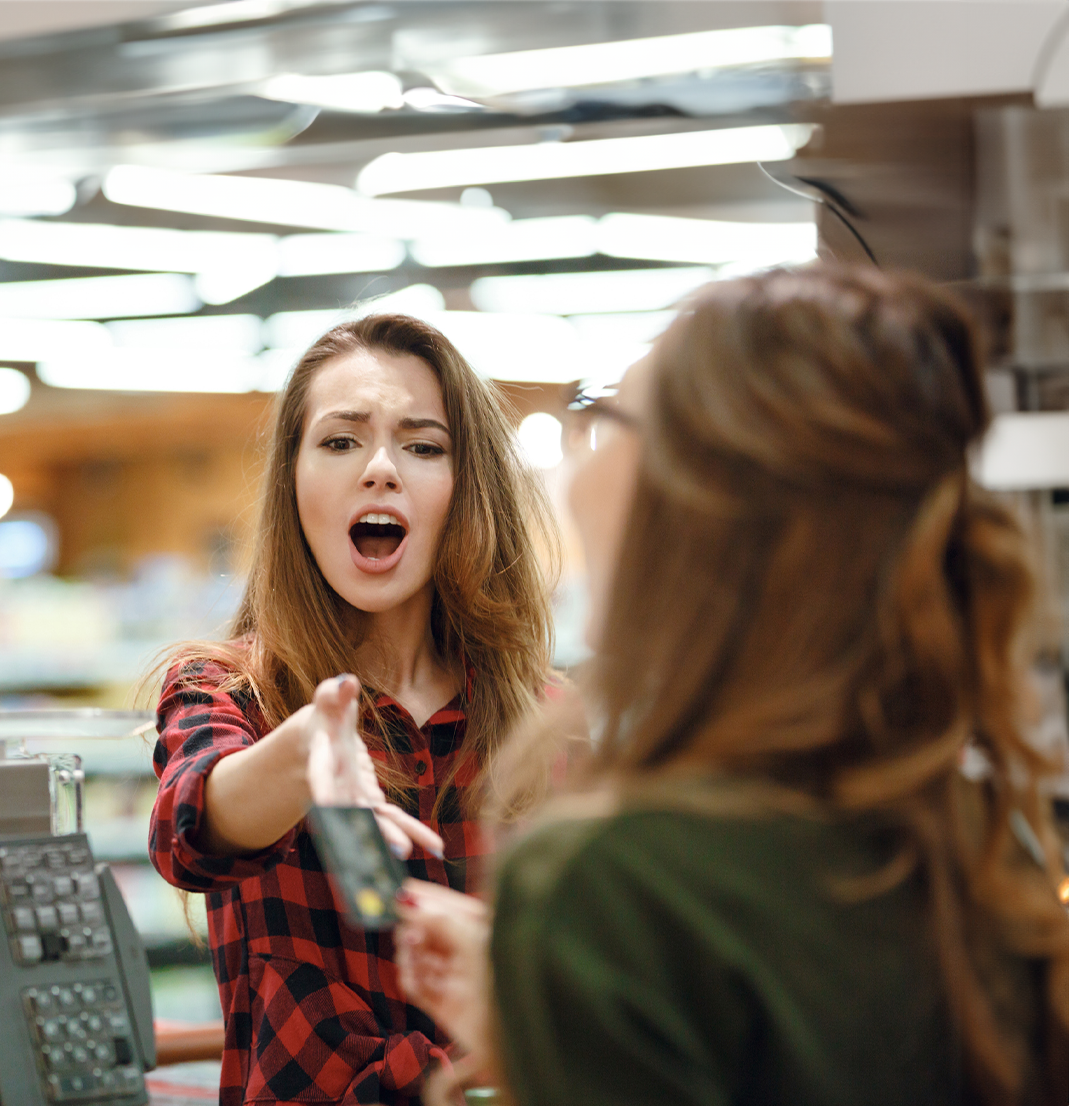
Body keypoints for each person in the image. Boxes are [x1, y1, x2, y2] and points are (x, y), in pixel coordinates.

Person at [395, 265, 1069, 1106]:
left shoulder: (607, 888)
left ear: (695, 509)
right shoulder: (975, 832)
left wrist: (569, 989)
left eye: (603, 417)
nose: (576, 465)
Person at [148, 313, 558, 1105]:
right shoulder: (226, 692)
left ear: (465, 486)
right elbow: (190, 830)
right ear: (293, 481)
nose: (379, 469)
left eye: (423, 445)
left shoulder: (545, 722)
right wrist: (304, 752)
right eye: (339, 442)